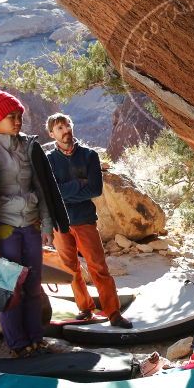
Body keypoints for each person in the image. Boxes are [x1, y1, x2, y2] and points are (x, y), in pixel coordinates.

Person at [0, 85, 70, 357]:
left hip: (30, 229)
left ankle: (35, 338)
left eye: (19, 116)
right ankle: (17, 344)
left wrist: (46, 225)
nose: (18, 121)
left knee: (32, 287)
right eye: (11, 117)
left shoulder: (30, 147)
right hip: (4, 233)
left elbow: (43, 188)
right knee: (7, 290)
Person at [45, 113, 132, 329]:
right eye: (59, 128)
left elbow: (95, 189)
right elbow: (51, 193)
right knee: (70, 269)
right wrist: (78, 184)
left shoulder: (89, 156)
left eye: (67, 125)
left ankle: (113, 313)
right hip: (60, 222)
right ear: (51, 134)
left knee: (98, 267)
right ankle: (85, 308)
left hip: (84, 220)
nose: (65, 131)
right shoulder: (49, 160)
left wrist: (65, 190)